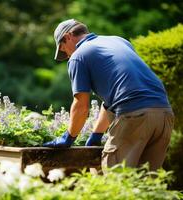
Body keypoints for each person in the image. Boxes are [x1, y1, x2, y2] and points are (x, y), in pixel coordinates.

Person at [43, 19, 174, 170]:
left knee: (114, 178)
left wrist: (68, 137)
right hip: (164, 115)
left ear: (68, 36)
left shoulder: (78, 56)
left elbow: (81, 106)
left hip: (134, 115)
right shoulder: (119, 41)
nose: (66, 55)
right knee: (147, 183)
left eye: (63, 49)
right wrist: (96, 135)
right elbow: (114, 100)